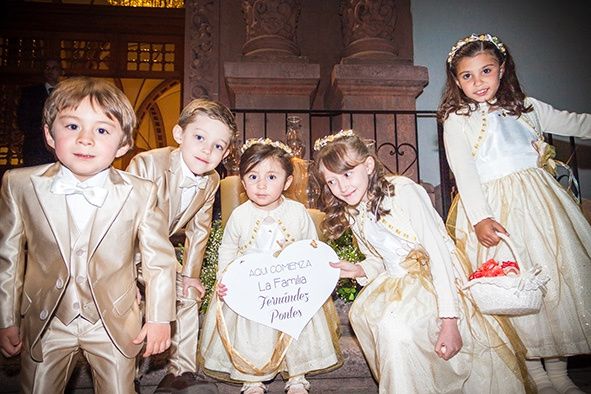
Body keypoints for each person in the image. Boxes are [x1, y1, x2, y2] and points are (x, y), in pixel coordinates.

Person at [312, 130, 530, 393]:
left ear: (368, 166)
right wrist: (359, 268)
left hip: (436, 284)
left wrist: (450, 320)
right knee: (382, 327)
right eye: (332, 182)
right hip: (397, 285)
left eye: (347, 174)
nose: (342, 187)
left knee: (396, 331)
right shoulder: (354, 210)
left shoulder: (404, 192)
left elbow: (437, 253)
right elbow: (379, 258)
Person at [0, 77, 177, 393]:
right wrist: (5, 318)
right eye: (71, 127)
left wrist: (159, 317)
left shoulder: (141, 192)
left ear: (123, 144)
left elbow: (158, 260)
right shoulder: (19, 184)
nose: (85, 139)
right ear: (49, 134)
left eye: (102, 130)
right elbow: (8, 257)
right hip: (47, 322)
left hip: (113, 323)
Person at [439, 33, 591, 394]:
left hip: (541, 207)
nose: (478, 82)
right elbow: (465, 172)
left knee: (552, 286)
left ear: (502, 69)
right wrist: (480, 217)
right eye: (467, 76)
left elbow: (577, 123)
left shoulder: (527, 107)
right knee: (513, 289)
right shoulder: (456, 120)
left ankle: (558, 373)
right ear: (456, 81)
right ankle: (534, 374)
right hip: (496, 212)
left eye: (486, 71)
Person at [199, 138, 342, 394]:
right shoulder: (240, 216)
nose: (261, 185)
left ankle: (297, 375)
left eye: (272, 177)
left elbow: (310, 246)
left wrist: (310, 273)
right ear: (242, 182)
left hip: (289, 289)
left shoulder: (297, 212)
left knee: (296, 327)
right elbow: (228, 249)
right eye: (253, 177)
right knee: (250, 331)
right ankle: (251, 376)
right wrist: (224, 278)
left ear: (287, 181)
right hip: (252, 290)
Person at [126, 98, 237, 393]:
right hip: (127, 254)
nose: (207, 150)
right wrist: (129, 278)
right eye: (199, 138)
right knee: (133, 303)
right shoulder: (148, 163)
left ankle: (180, 374)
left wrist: (190, 275)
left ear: (226, 152)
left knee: (187, 294)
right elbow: (126, 226)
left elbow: (200, 229)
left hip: (160, 257)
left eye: (218, 146)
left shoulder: (211, 179)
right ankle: (129, 376)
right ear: (179, 135)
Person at [17, 58, 64, 166]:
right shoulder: (30, 93)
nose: (50, 71)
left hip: (62, 148)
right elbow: (22, 121)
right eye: (47, 68)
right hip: (35, 148)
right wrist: (44, 132)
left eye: (54, 68)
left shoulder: (68, 93)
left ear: (61, 71)